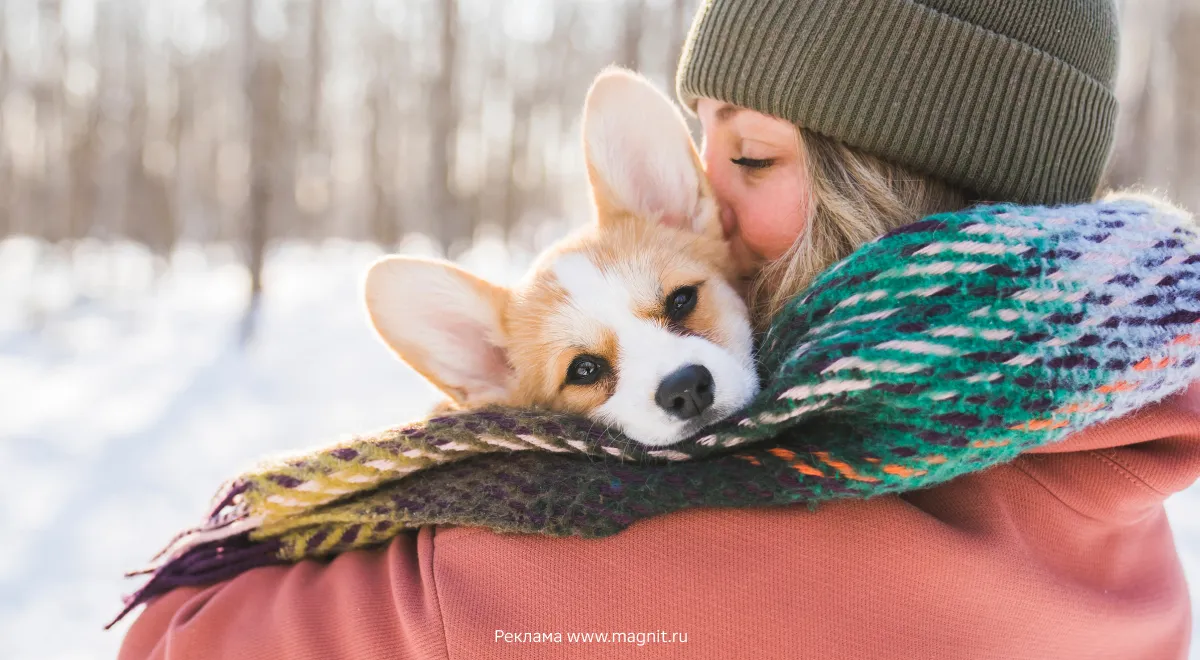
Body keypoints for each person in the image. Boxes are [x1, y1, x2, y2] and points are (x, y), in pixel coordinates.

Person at [118, 1, 1200, 658]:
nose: (712, 208)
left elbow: (181, 641)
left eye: (754, 157)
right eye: (704, 147)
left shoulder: (663, 556)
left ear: (885, 183)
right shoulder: (1122, 498)